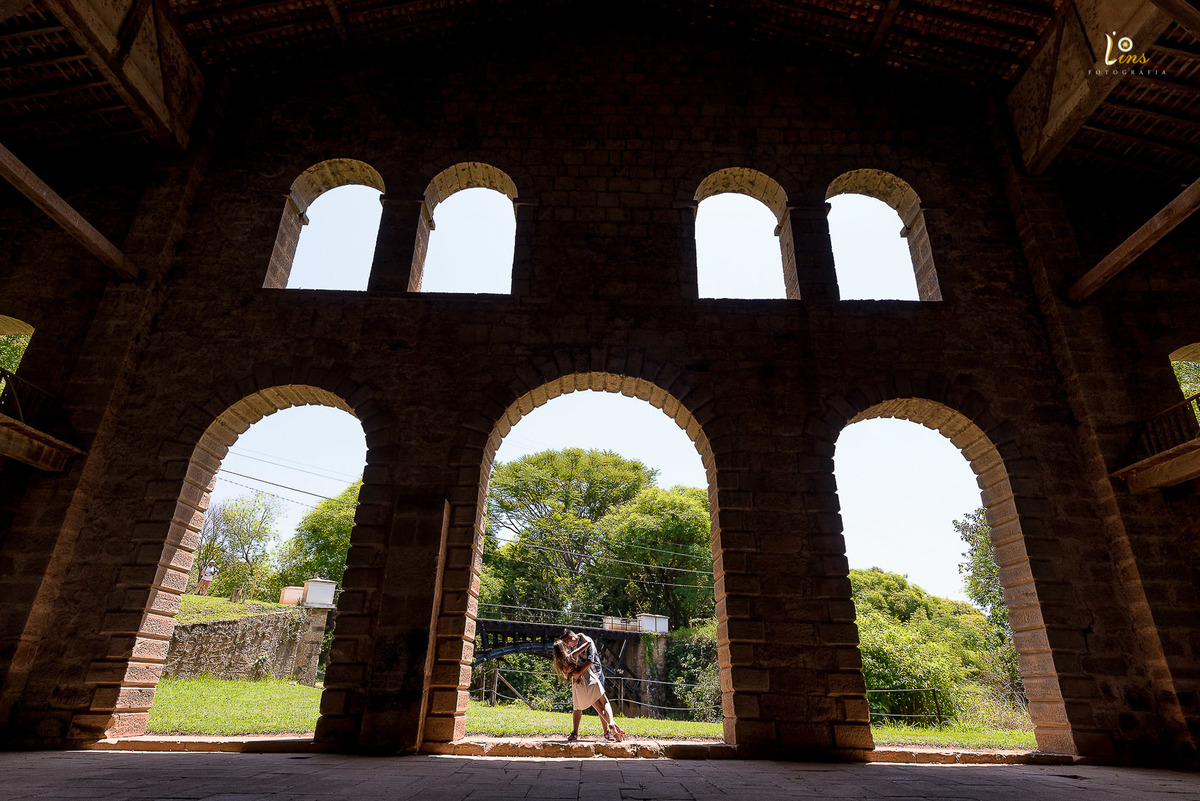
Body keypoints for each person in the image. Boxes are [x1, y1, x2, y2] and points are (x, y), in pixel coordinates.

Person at [552, 629, 625, 742]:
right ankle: (611, 725)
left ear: (571, 637)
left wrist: (575, 673)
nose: (567, 645)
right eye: (565, 644)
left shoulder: (560, 663)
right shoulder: (571, 654)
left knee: (583, 708)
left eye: (567, 642)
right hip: (590, 678)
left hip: (582, 681)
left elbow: (589, 661)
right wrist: (583, 635)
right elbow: (589, 644)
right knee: (603, 703)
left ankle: (579, 733)